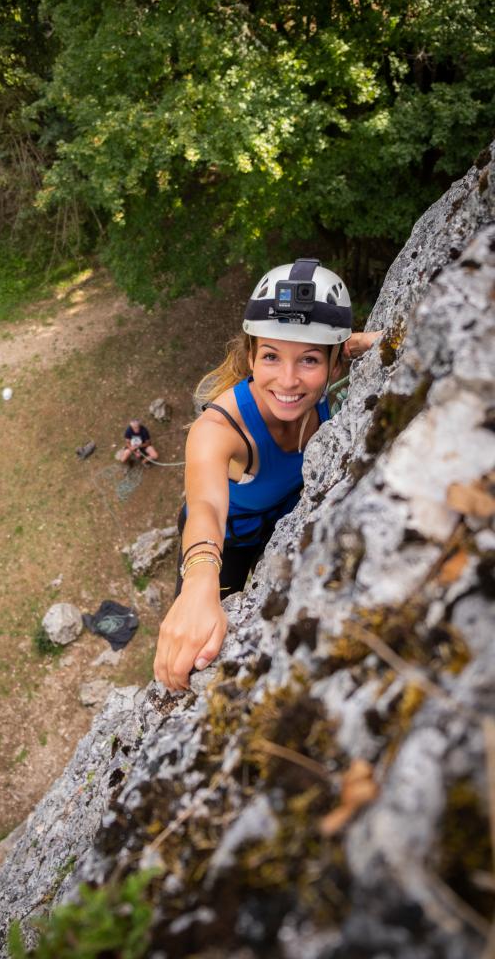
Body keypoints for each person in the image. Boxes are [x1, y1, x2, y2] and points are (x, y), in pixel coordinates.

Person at [154, 258, 380, 691]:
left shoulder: (330, 370)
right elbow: (204, 506)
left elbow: (350, 348)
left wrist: (363, 344)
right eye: (272, 356)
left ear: (334, 366)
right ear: (251, 357)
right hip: (228, 545)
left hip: (283, 527)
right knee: (199, 655)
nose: (289, 381)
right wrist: (199, 581)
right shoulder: (219, 430)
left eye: (309, 360)